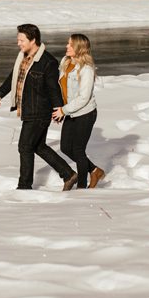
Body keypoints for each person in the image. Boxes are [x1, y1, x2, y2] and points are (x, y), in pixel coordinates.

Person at [0, 24, 78, 191]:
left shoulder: (48, 62)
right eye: (18, 40)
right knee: (39, 146)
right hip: (28, 110)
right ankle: (68, 174)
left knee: (25, 146)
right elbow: (14, 76)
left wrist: (58, 109)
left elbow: (53, 88)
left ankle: (24, 186)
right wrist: (0, 93)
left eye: (21, 40)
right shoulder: (23, 57)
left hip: (40, 111)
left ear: (33, 40)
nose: (18, 43)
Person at [52, 34, 105, 189]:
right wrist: (59, 110)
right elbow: (62, 89)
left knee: (78, 150)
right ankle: (95, 170)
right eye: (67, 43)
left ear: (79, 48)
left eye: (70, 44)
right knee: (65, 148)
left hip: (86, 113)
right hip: (71, 112)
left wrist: (63, 110)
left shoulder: (86, 69)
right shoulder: (65, 62)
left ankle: (81, 188)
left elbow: (84, 98)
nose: (66, 46)